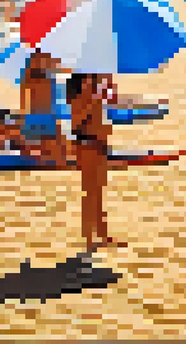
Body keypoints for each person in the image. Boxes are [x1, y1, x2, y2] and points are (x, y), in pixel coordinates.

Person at [69, 72, 120, 251]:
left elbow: (113, 104)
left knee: (98, 192)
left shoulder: (97, 86)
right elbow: (75, 121)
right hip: (87, 143)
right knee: (91, 193)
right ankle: (89, 239)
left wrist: (109, 86)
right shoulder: (80, 88)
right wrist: (93, 98)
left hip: (99, 143)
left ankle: (102, 235)